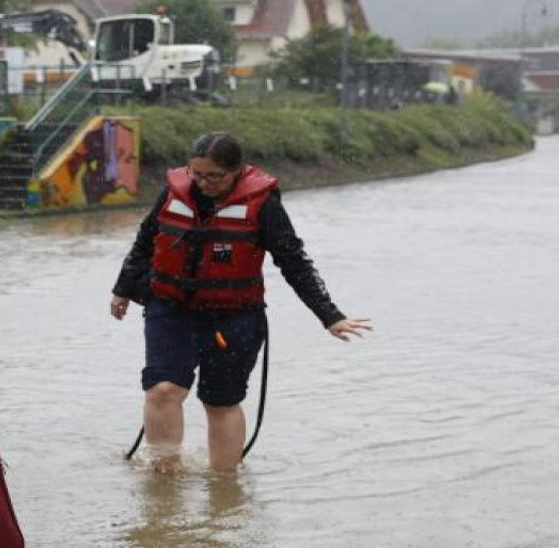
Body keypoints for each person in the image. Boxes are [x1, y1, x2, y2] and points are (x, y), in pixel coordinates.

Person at [110, 131, 371, 472]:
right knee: (162, 390)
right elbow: (145, 242)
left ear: (237, 170)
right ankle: (163, 481)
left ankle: (224, 488)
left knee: (220, 402)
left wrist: (329, 315)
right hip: (170, 308)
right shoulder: (174, 193)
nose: (204, 183)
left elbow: (294, 262)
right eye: (197, 174)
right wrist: (123, 289)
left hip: (234, 318)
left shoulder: (264, 205)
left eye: (214, 176)